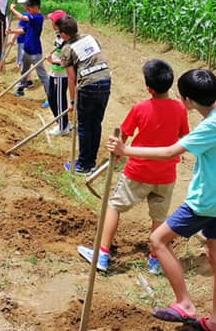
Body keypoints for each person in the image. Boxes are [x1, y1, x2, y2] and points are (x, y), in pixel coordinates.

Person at [107, 69, 216, 331]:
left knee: (158, 240)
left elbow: (169, 152)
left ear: (188, 100)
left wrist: (125, 150)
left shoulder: (210, 127)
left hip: (205, 202)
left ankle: (184, 303)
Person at [78, 59, 190, 274]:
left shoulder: (140, 108)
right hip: (166, 175)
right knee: (159, 217)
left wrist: (117, 151)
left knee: (114, 206)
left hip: (138, 172)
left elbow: (123, 137)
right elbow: (184, 136)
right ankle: (156, 260)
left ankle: (102, 254)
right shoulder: (180, 108)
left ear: (149, 87)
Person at [57, 15, 111, 175]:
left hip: (88, 85)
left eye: (59, 33)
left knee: (85, 125)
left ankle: (84, 165)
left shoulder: (67, 49)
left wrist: (73, 101)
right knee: (96, 122)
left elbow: (71, 78)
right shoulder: (90, 38)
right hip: (105, 79)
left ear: (64, 34)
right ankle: (91, 161)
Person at [9, 0, 49, 99]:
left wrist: (12, 9)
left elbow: (22, 17)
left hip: (35, 52)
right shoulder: (31, 18)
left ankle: (50, 96)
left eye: (29, 8)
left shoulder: (38, 18)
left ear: (36, 7)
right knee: (24, 71)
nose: (27, 10)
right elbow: (24, 30)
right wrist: (12, 31)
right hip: (26, 50)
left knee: (42, 75)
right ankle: (21, 90)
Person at [45, 10, 71, 136]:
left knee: (59, 101)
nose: (51, 23)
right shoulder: (59, 36)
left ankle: (63, 127)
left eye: (52, 21)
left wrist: (53, 61)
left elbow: (68, 60)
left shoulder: (66, 39)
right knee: (51, 98)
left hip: (62, 74)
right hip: (54, 72)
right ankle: (63, 122)